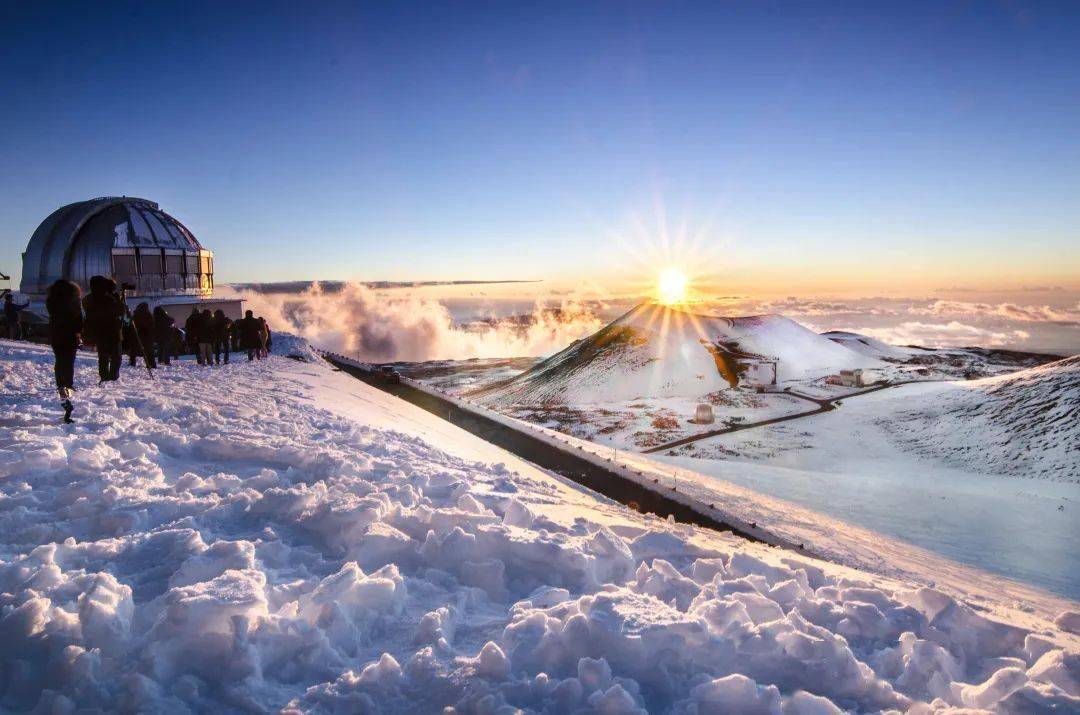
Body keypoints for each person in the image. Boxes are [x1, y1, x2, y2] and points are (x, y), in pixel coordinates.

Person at [45, 280, 82, 423]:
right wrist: (79, 332)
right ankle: (68, 383)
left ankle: (60, 383)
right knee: (69, 359)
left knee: (59, 359)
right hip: (70, 333)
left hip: (55, 333)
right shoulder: (73, 301)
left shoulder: (51, 300)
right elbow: (78, 317)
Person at [82, 276, 124, 382]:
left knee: (103, 356)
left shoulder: (88, 299)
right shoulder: (110, 298)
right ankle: (113, 377)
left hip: (98, 331)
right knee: (116, 356)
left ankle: (104, 377)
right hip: (113, 330)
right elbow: (120, 311)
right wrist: (119, 299)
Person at [130, 302, 156, 369]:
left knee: (134, 349)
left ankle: (132, 362)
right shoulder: (148, 314)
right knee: (149, 351)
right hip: (147, 336)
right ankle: (151, 364)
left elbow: (132, 325)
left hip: (138, 335)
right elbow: (152, 325)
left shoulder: (136, 314)